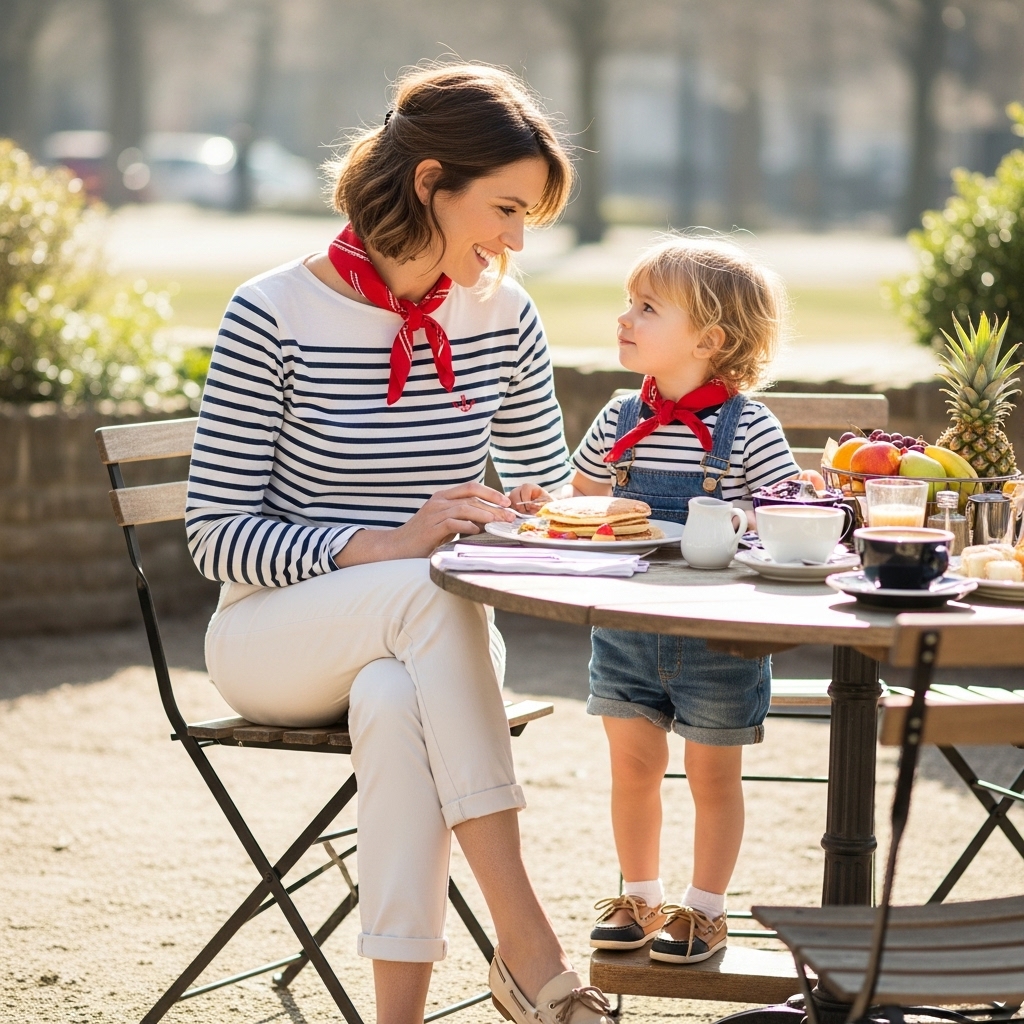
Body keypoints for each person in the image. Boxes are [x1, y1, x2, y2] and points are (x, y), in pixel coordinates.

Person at [185, 63, 613, 1024]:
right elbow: (215, 537)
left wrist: (538, 511)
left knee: (393, 696)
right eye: (503, 209)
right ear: (429, 183)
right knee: (426, 587)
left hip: (435, 646)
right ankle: (527, 941)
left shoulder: (502, 311)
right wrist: (391, 542)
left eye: (527, 219)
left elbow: (543, 489)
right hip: (274, 638)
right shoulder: (273, 312)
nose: (513, 242)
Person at [515, 238, 800, 966]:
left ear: (708, 340)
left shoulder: (750, 427)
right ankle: (639, 895)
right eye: (629, 303)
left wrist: (744, 521)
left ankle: (704, 911)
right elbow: (585, 501)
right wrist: (540, 501)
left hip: (717, 636)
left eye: (647, 308)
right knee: (632, 768)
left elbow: (787, 513)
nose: (625, 318)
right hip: (626, 625)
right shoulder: (617, 416)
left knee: (712, 777)